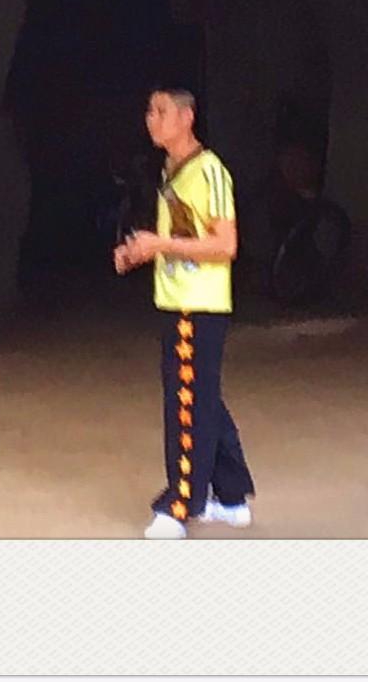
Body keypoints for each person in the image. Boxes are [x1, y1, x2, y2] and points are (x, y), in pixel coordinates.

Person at [113, 88, 256, 540]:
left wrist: (159, 244)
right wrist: (142, 251)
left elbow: (225, 244)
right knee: (200, 397)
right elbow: (181, 236)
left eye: (161, 111)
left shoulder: (209, 170)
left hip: (198, 304)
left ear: (187, 117)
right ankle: (230, 496)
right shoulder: (171, 170)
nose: (150, 119)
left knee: (187, 403)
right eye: (148, 111)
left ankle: (180, 504)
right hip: (178, 299)